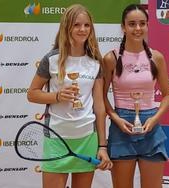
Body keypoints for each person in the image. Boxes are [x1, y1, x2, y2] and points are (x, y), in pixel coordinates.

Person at [27, 4, 112, 188]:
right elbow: (32, 94)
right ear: (67, 26)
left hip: (87, 139)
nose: (82, 30)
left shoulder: (95, 62)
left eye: (86, 25)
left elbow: (99, 107)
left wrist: (102, 146)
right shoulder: (51, 59)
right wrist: (57, 96)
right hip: (56, 138)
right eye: (76, 25)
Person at [103, 4, 169, 188]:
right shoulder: (111, 58)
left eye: (142, 23)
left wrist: (154, 119)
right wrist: (116, 119)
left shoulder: (157, 57)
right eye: (132, 24)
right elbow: (101, 98)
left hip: (151, 128)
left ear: (148, 25)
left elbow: (167, 96)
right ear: (123, 27)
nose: (138, 28)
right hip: (121, 129)